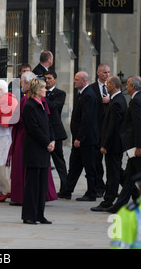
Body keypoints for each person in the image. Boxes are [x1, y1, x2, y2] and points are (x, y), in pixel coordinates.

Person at [107, 76, 141, 213]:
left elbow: (139, 125)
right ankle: (118, 206)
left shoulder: (135, 102)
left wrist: (140, 146)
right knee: (129, 179)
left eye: (127, 84)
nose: (126, 87)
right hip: (140, 145)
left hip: (137, 146)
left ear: (133, 87)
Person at [58, 71, 98, 201]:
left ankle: (91, 193)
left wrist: (79, 138)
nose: (74, 82)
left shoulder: (88, 95)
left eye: (76, 79)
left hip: (86, 139)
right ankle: (67, 190)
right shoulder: (82, 94)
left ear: (84, 81)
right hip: (80, 139)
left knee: (89, 167)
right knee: (75, 166)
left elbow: (87, 119)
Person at [21, 79, 55, 224]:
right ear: (36, 90)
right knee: (33, 185)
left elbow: (49, 125)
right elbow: (34, 129)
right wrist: (46, 142)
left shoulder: (42, 104)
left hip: (44, 150)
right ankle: (30, 215)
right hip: (35, 149)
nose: (46, 90)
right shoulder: (29, 106)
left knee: (42, 185)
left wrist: (52, 140)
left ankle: (40, 214)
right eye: (43, 88)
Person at [91, 76, 127, 212]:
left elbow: (113, 127)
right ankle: (136, 194)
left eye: (108, 84)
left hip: (113, 145)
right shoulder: (117, 100)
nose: (106, 86)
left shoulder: (117, 102)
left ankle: (108, 201)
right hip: (115, 144)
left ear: (113, 85)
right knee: (118, 171)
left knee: (113, 174)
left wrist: (105, 145)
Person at [6, 71, 36, 205]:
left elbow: (15, 119)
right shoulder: (33, 98)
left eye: (22, 82)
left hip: (23, 136)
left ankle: (20, 196)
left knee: (20, 167)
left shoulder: (26, 100)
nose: (21, 85)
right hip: (29, 136)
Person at [44, 70, 68, 193]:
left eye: (49, 78)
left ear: (55, 79)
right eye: (45, 78)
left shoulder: (60, 93)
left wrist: (42, 96)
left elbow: (54, 106)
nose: (47, 81)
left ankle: (65, 188)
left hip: (55, 131)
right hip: (43, 131)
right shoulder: (41, 92)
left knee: (59, 160)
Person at [90, 63, 111, 197]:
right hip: (97, 129)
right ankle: (99, 186)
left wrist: (110, 100)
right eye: (104, 72)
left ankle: (111, 186)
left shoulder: (112, 88)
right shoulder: (92, 88)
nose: (107, 75)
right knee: (96, 160)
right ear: (98, 73)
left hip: (108, 129)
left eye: (108, 72)